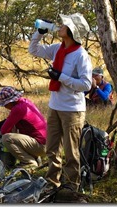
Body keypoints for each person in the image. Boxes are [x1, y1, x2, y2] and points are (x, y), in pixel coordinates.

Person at [29, 13, 92, 194]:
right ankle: (52, 183)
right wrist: (39, 33)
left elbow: (86, 84)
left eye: (65, 25)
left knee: (71, 152)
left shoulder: (81, 55)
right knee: (52, 148)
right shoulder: (58, 48)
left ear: (72, 32)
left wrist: (61, 77)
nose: (61, 26)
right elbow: (34, 50)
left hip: (72, 110)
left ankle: (72, 187)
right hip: (55, 106)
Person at [0, 86, 47, 169]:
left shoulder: (18, 109)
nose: (4, 107)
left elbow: (4, 130)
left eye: (4, 104)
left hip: (42, 146)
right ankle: (36, 159)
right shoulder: (25, 102)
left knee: (6, 138)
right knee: (17, 134)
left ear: (10, 102)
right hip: (49, 142)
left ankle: (29, 162)